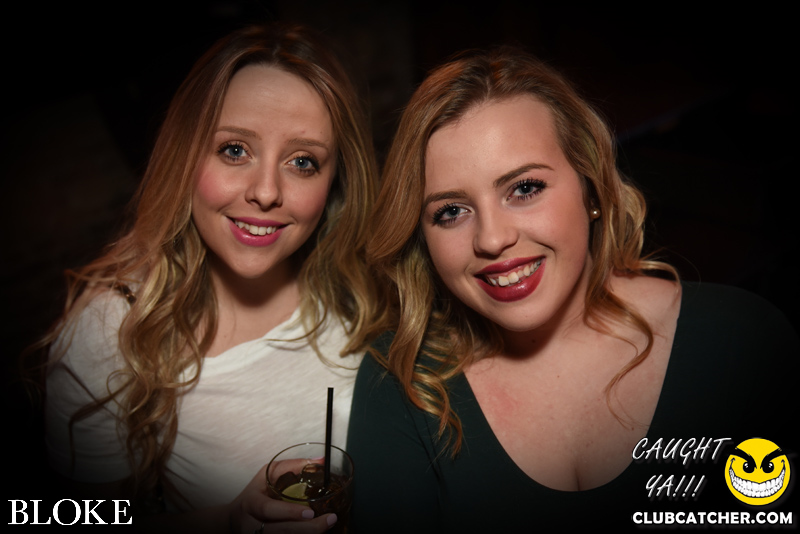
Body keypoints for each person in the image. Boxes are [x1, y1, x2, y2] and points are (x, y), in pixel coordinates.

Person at [347, 47, 799, 532]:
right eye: (451, 211)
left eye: (525, 188)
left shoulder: (742, 341)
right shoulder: (402, 378)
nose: (493, 239)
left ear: (591, 187)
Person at [37, 23, 377, 532]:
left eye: (302, 161)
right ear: (186, 154)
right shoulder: (113, 328)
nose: (266, 191)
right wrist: (225, 521)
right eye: (234, 150)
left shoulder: (364, 291)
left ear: (335, 181)